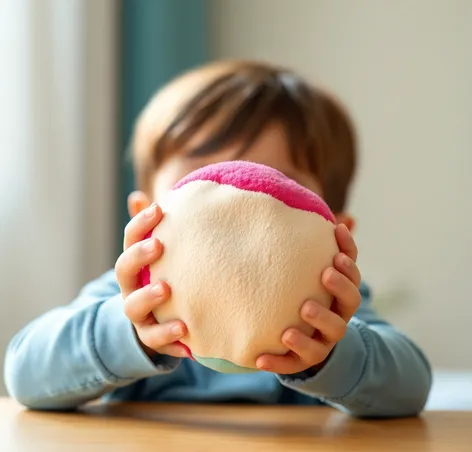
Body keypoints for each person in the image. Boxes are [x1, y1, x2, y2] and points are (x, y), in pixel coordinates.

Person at [4, 60, 432, 417]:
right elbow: (24, 373)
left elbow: (411, 387)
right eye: (200, 186)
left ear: (337, 235)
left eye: (274, 189)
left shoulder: (329, 311)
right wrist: (131, 333)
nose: (233, 210)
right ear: (143, 219)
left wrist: (332, 353)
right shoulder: (134, 298)